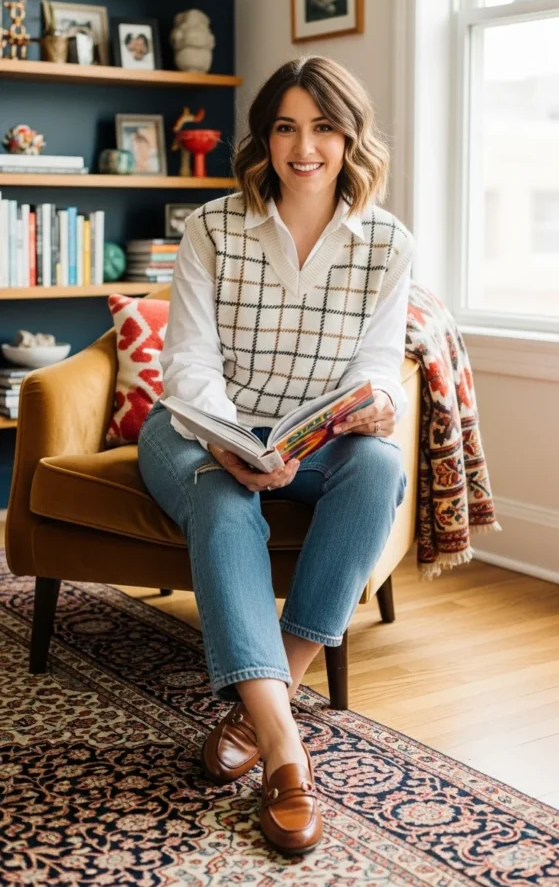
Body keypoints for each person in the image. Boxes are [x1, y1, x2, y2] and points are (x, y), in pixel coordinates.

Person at [137, 55, 414, 857]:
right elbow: (186, 365)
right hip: (195, 428)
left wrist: (372, 404)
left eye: (324, 127)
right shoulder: (212, 228)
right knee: (223, 499)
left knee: (380, 466)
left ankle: (265, 695)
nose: (305, 147)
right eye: (286, 127)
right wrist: (230, 443)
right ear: (264, 139)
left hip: (311, 439)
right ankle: (286, 753)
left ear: (350, 138)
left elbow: (374, 360)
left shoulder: (386, 243)